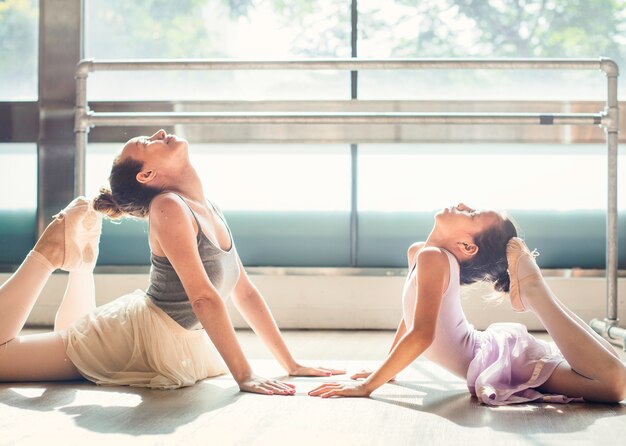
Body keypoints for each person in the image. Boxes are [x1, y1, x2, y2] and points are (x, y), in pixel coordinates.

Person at [0, 129, 343, 393]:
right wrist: (245, 374)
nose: (160, 134)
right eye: (148, 143)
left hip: (167, 336)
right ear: (146, 175)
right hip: (138, 335)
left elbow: (245, 292)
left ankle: (80, 267)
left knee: (69, 340)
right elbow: (203, 297)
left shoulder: (209, 207)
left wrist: (290, 362)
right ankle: (49, 252)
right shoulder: (168, 207)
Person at [309, 203, 626, 405]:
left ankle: (534, 291)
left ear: (465, 246)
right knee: (611, 370)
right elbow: (412, 318)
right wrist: (387, 369)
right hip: (493, 352)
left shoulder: (433, 258)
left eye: (471, 214)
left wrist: (368, 386)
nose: (462, 204)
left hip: (500, 359)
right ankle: (533, 289)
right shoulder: (420, 252)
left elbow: (423, 335)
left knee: (614, 384)